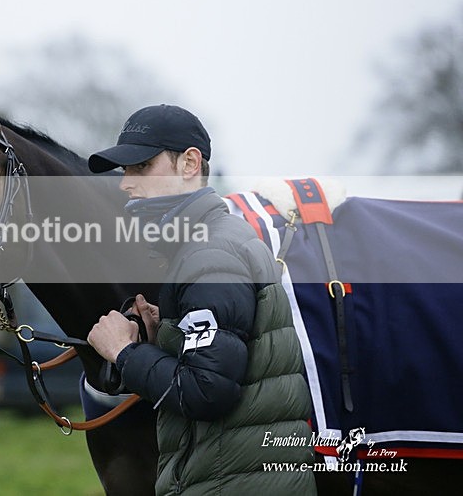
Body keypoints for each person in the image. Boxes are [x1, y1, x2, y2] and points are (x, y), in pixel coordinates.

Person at [86, 105, 316, 495]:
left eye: (140, 166)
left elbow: (208, 391)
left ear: (190, 163)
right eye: (124, 171)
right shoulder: (212, 240)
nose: (125, 184)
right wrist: (167, 337)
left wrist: (124, 352)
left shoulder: (209, 254)